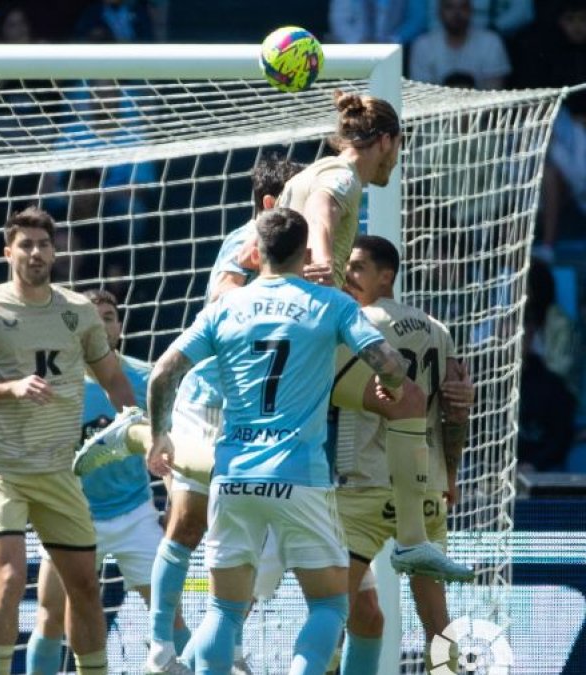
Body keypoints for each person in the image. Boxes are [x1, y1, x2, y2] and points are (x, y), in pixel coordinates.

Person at [145, 207, 409, 675]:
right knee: (329, 605)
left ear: (258, 251)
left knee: (224, 612)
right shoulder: (331, 304)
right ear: (306, 253)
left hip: (233, 477)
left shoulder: (223, 308)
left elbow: (164, 371)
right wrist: (391, 378)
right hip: (300, 478)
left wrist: (159, 434)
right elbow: (387, 361)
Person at [74, 153, 304, 675]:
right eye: (300, 194)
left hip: (263, 415)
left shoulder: (311, 251)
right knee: (185, 525)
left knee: (255, 545)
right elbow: (221, 295)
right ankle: (160, 651)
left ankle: (230, 648)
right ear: (273, 205)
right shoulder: (246, 241)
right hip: (207, 403)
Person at [276, 90, 471, 583]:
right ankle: (411, 543)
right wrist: (321, 257)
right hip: (307, 333)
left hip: (274, 328)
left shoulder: (302, 175)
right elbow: (323, 210)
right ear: (385, 141)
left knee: (401, 401)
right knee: (405, 398)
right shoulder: (341, 175)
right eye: (398, 148)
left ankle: (410, 544)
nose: (396, 162)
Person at [0, 206, 136, 675]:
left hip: (56, 470)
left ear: (56, 250)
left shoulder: (78, 311)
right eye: (25, 244)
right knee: (9, 580)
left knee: (85, 586)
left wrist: (136, 423)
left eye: (44, 244)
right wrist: (8, 387)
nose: (35, 252)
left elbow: (113, 377)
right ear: (8, 252)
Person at [24, 289, 187, 674]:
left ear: (119, 326)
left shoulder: (148, 378)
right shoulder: (50, 382)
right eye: (90, 316)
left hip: (135, 516)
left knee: (169, 618)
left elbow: (168, 454)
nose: (100, 323)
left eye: (109, 316)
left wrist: (175, 510)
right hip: (72, 517)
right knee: (49, 616)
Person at [334, 235, 474, 673]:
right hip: (427, 489)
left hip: (367, 488)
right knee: (436, 619)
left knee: (330, 611)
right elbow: (455, 411)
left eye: (357, 268)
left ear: (386, 276)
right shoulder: (440, 330)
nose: (347, 276)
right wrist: (450, 473)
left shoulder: (358, 323)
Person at [409, 0, 511, 88]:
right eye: (449, 7)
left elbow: (494, 95)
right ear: (439, 12)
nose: (457, 13)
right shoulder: (422, 46)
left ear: (471, 10)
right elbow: (423, 97)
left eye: (463, 7)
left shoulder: (491, 43)